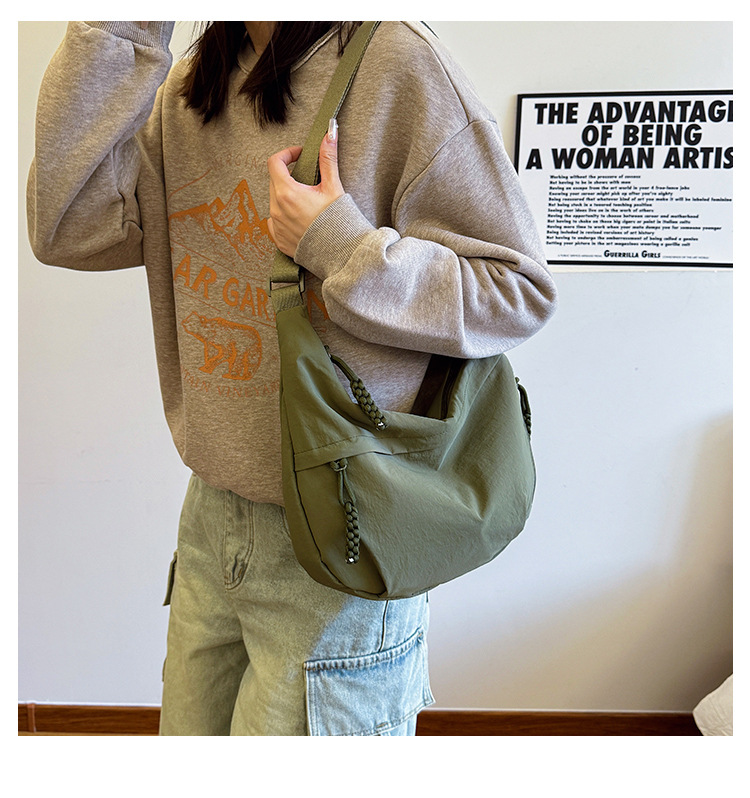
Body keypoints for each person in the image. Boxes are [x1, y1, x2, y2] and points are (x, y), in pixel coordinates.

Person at [27, 21, 557, 736]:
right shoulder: (192, 82)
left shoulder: (395, 61)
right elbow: (69, 229)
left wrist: (339, 243)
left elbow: (517, 292)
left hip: (348, 530)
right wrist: (118, 30)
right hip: (214, 517)